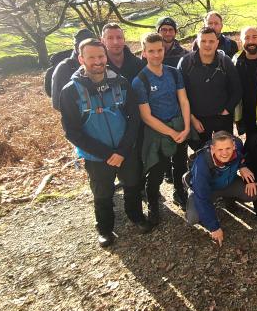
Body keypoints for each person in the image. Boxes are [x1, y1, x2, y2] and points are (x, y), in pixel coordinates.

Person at [58, 39, 152, 247]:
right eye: (91, 57)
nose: (97, 61)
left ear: (106, 57)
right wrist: (106, 154)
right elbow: (71, 131)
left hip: (125, 149)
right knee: (102, 192)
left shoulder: (121, 83)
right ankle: (105, 228)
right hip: (96, 155)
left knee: (133, 185)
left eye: (100, 56)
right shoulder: (70, 91)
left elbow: (134, 118)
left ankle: (136, 217)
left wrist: (123, 150)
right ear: (81, 59)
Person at [132, 33, 192, 223]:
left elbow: (183, 100)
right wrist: (171, 133)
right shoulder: (140, 81)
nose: (156, 55)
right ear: (144, 53)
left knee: (181, 164)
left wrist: (186, 127)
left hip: (179, 125)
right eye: (151, 51)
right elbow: (146, 116)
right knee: (157, 170)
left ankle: (179, 193)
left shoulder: (174, 73)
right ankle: (153, 205)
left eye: (159, 50)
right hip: (157, 131)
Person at [183, 131, 257, 246]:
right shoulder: (202, 163)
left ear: (233, 146)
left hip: (227, 184)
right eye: (220, 150)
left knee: (254, 192)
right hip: (207, 190)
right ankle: (194, 198)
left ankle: (228, 198)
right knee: (193, 217)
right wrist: (214, 227)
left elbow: (241, 156)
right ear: (212, 148)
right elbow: (202, 197)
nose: (224, 153)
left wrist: (242, 166)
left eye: (228, 148)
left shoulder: (238, 145)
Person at [179, 28, 242, 149]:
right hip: (197, 119)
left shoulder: (225, 62)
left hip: (222, 117)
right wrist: (191, 118)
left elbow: (237, 89)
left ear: (217, 43)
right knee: (201, 154)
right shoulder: (186, 62)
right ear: (197, 42)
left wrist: (227, 110)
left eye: (211, 41)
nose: (207, 45)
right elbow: (180, 94)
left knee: (225, 154)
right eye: (203, 41)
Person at [51, 28, 95, 111]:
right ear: (77, 47)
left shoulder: (99, 63)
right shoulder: (64, 68)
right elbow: (58, 102)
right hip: (78, 119)